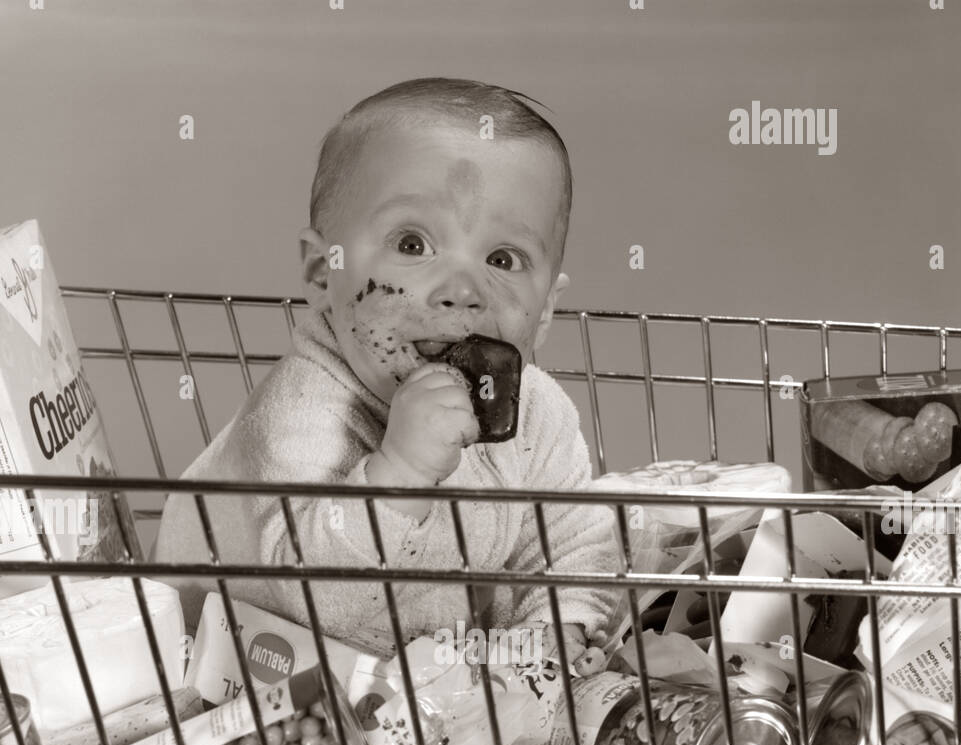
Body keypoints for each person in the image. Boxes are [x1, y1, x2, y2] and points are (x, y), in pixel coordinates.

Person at [155, 77, 622, 673]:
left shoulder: (537, 415)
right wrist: (398, 476)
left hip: (433, 689)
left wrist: (560, 627)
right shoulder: (300, 415)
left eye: (503, 260)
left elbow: (570, 540)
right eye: (413, 243)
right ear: (325, 272)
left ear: (548, 309)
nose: (462, 292)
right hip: (255, 676)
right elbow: (320, 598)